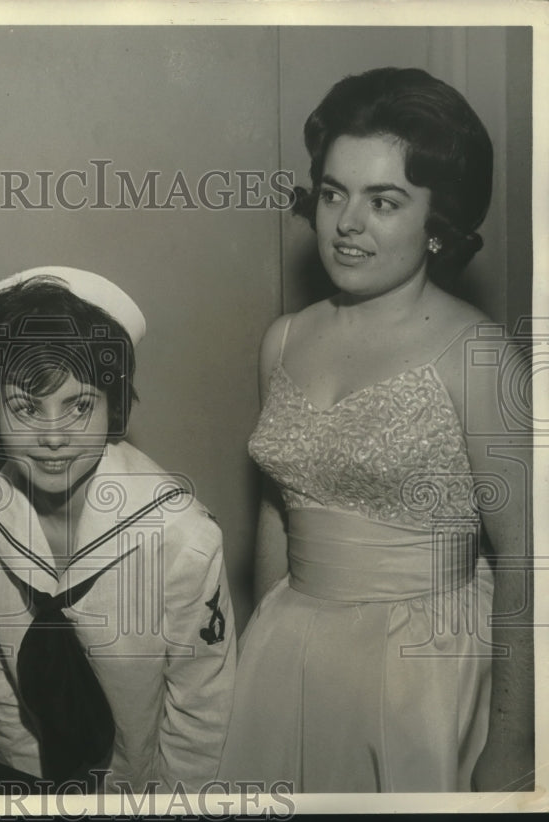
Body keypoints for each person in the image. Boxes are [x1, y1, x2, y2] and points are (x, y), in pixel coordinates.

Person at [218, 67, 533, 792]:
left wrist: (514, 743)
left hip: (425, 671)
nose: (346, 223)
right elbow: (279, 508)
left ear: (439, 226)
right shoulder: (285, 339)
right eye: (333, 193)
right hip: (293, 655)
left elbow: (526, 561)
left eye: (384, 201)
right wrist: (262, 649)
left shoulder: (480, 357)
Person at [0, 267, 236, 793]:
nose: (54, 437)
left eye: (79, 406)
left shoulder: (181, 537)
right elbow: (0, 697)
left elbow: (200, 714)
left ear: (113, 405)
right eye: (26, 408)